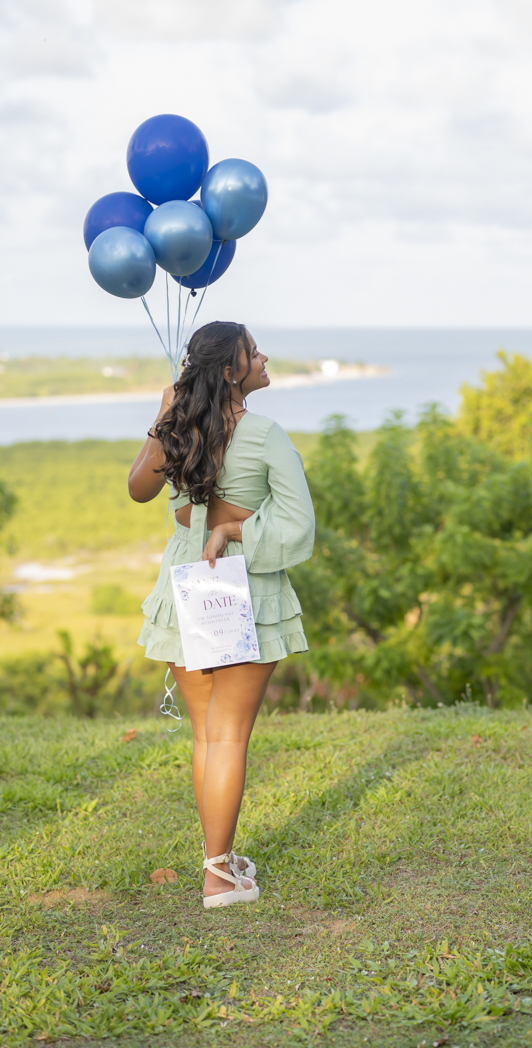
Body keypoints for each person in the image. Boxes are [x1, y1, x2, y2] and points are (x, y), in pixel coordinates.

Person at [128, 321, 315, 908]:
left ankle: (220, 863)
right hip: (241, 588)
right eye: (253, 352)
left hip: (185, 587)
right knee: (229, 736)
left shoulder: (178, 430)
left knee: (209, 736)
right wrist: (237, 528)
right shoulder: (264, 435)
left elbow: (138, 488)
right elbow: (298, 526)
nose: (264, 358)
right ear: (232, 370)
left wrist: (163, 419)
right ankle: (219, 878)